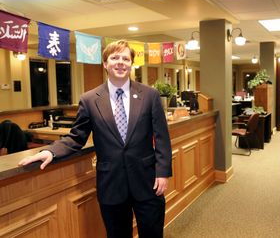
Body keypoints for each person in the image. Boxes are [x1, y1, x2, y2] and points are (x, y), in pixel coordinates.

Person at [19, 40, 172, 238]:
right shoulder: (90, 99)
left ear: (131, 63)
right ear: (105, 64)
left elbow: (161, 137)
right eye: (114, 58)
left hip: (148, 181)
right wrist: (49, 151)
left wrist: (163, 172)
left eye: (125, 58)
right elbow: (76, 137)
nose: (120, 62)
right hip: (111, 184)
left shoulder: (149, 95)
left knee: (152, 233)